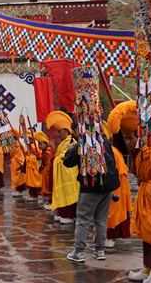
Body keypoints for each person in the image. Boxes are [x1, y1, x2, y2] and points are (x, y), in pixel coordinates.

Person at [64, 128, 118, 262]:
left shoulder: (82, 142)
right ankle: (100, 250)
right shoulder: (104, 141)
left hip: (89, 187)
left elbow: (68, 162)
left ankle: (79, 251)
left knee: (83, 220)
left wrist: (70, 149)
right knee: (101, 220)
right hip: (106, 187)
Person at [104, 106, 133, 248]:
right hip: (113, 185)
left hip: (114, 186)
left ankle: (111, 237)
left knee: (112, 210)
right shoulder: (110, 150)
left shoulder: (111, 151)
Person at [46, 111, 79, 224]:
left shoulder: (71, 141)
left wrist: (56, 159)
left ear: (66, 132)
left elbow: (66, 156)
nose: (58, 135)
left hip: (68, 174)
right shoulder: (63, 142)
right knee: (62, 194)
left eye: (60, 132)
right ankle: (63, 213)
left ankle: (70, 216)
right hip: (62, 174)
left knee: (69, 194)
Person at [24, 131, 43, 202]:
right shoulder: (29, 146)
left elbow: (37, 156)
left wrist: (27, 158)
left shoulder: (34, 146)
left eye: (28, 139)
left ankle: (34, 195)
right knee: (31, 181)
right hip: (31, 167)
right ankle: (32, 195)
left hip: (33, 166)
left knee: (34, 181)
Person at [33, 131, 51, 202]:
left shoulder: (48, 152)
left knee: (49, 187)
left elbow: (49, 165)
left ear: (45, 144)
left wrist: (44, 170)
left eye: (40, 144)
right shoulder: (43, 152)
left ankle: (51, 203)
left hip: (48, 172)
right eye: (38, 144)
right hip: (45, 172)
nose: (39, 146)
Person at [9, 129, 27, 196]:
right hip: (15, 164)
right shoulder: (14, 145)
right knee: (16, 178)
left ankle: (20, 192)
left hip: (18, 165)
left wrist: (13, 159)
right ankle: (18, 191)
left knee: (19, 178)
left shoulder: (18, 145)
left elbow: (19, 158)